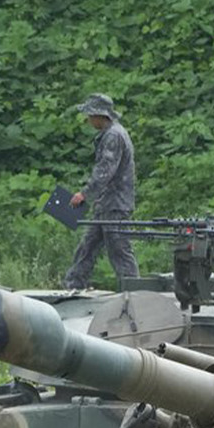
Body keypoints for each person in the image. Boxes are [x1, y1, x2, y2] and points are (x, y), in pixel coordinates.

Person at [63, 94, 139, 289]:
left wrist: (84, 194)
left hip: (115, 204)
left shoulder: (113, 136)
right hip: (106, 204)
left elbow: (105, 171)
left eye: (90, 115)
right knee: (87, 247)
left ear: (99, 115)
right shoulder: (112, 133)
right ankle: (74, 285)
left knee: (119, 249)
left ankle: (134, 291)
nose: (88, 120)